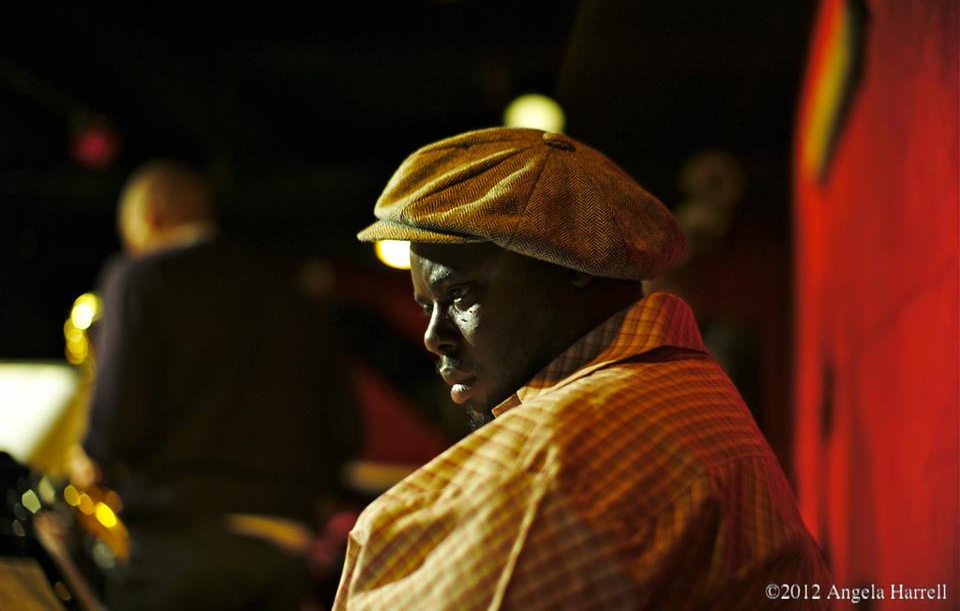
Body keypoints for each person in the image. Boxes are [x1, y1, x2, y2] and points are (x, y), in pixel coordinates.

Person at [334, 128, 830, 610]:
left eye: (459, 295)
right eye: (427, 308)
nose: (432, 337)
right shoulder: (676, 387)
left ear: (575, 261)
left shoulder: (552, 465)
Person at [83, 159, 359, 610]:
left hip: (184, 544)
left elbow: (118, 425)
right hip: (285, 551)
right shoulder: (296, 294)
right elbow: (345, 431)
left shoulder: (141, 277)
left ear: (151, 216)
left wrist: (93, 456)